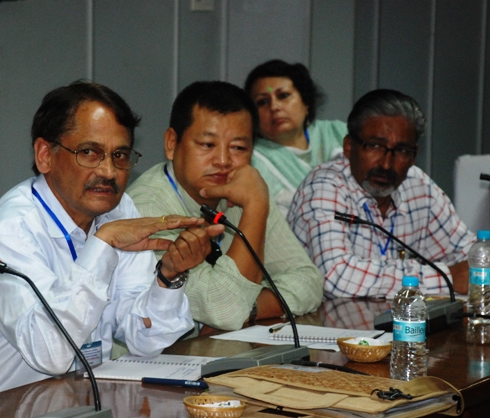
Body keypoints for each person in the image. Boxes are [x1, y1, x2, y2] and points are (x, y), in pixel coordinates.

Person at [0, 82, 224, 412]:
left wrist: (169, 277)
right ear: (45, 155)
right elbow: (50, 353)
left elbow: (146, 340)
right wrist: (102, 245)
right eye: (89, 152)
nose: (108, 171)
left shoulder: (118, 210)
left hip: (69, 406)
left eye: (119, 155)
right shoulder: (11, 229)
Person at [128, 81, 323, 335]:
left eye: (238, 148)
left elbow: (308, 281)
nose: (223, 161)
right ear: (172, 144)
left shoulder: (246, 192)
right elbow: (226, 309)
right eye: (207, 145)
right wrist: (255, 207)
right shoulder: (145, 208)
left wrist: (251, 309)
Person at [288, 89, 475, 299]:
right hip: (322, 318)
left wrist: (477, 264)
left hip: (394, 317)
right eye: (375, 146)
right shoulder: (324, 187)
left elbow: (468, 252)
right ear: (349, 147)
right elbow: (336, 277)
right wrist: (446, 277)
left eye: (401, 150)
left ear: (414, 156)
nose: (386, 164)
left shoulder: (419, 187)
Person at [244, 59, 347, 217]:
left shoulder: (338, 133)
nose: (274, 107)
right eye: (263, 101)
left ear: (306, 102)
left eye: (283, 96)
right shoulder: (253, 158)